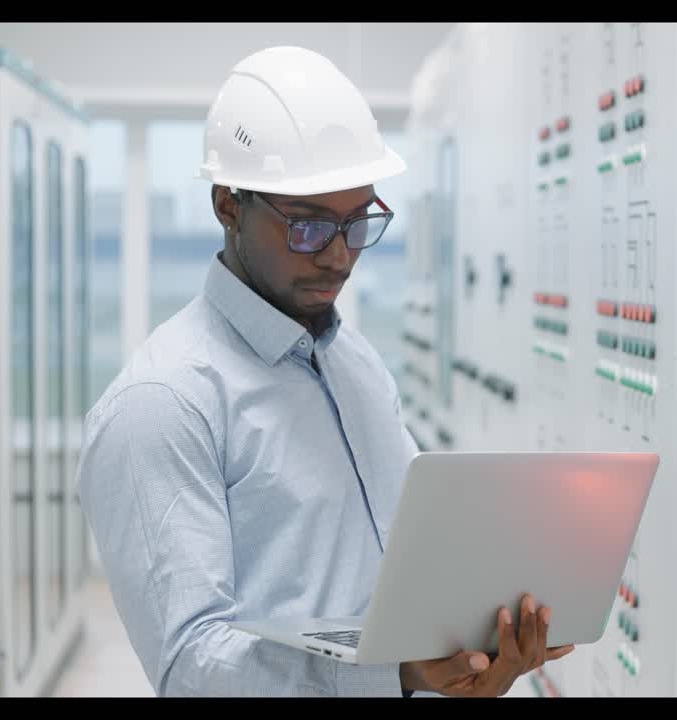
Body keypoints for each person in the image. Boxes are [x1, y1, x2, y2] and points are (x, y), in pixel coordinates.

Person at [77, 46, 573, 698]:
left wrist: (472, 659)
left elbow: (411, 579)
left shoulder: (355, 365)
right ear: (228, 203)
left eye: (358, 222)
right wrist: (391, 676)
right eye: (308, 226)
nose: (339, 256)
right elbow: (192, 668)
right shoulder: (161, 404)